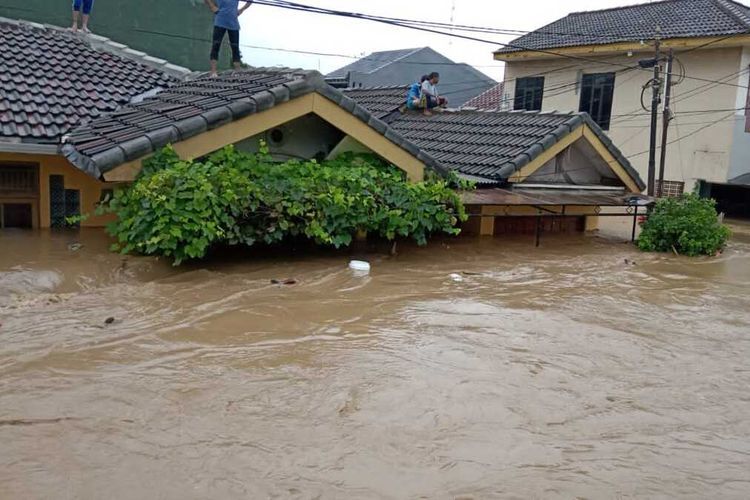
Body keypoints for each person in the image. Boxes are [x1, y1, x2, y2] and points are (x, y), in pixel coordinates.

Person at [204, 0, 253, 76]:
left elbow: (250, 1)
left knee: (235, 47)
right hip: (220, 21)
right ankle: (213, 71)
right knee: (216, 45)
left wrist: (241, 10)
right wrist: (212, 6)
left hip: (233, 22)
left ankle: (237, 70)